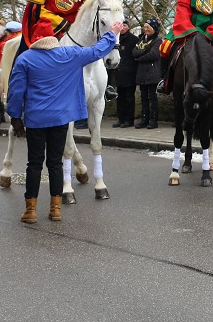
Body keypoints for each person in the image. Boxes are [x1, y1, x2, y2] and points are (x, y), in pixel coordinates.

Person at [7, 18, 127, 223]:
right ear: (53, 38)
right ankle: (55, 210)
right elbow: (96, 51)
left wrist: (15, 117)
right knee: (55, 163)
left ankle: (31, 210)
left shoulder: (25, 59)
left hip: (36, 119)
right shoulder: (69, 54)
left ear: (35, 38)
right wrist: (111, 33)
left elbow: (16, 91)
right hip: (61, 118)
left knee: (34, 164)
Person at [133, 18, 163, 129]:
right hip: (141, 73)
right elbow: (134, 52)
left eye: (148, 28)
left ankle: (153, 120)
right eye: (145, 27)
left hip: (152, 73)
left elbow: (153, 55)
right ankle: (144, 119)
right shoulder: (141, 39)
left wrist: (140, 58)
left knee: (152, 97)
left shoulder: (157, 40)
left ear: (154, 29)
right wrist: (144, 51)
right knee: (143, 98)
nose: (146, 29)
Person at [112, 20, 139, 128]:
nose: (122, 28)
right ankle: (121, 118)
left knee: (129, 98)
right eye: (121, 25)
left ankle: (129, 120)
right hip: (119, 72)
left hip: (130, 73)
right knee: (120, 97)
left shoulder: (134, 39)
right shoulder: (116, 39)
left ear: (128, 27)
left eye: (125, 25)